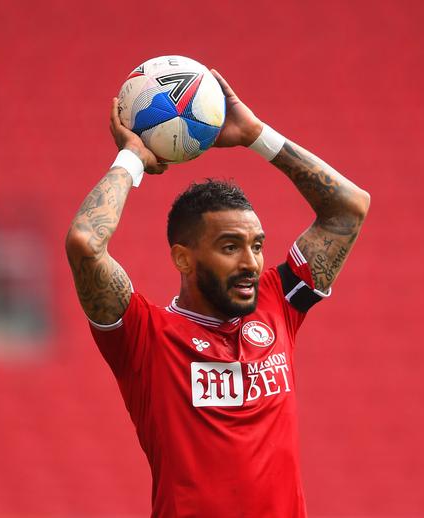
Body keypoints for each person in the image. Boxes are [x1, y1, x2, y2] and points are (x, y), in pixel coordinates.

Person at [65, 69, 370, 518]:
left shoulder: (277, 303)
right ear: (183, 259)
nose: (250, 262)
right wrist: (130, 160)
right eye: (230, 247)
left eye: (257, 245)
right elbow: (85, 244)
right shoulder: (145, 337)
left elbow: (349, 207)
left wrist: (256, 135)